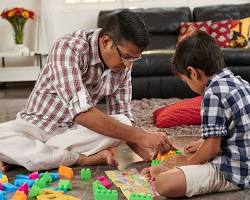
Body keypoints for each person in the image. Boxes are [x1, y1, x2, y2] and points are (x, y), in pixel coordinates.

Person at [0, 10, 172, 171]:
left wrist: (149, 154)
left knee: (124, 122)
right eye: (126, 57)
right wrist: (143, 135)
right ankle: (83, 159)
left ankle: (34, 157)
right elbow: (82, 114)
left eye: (135, 59)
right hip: (34, 127)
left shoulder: (123, 66)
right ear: (106, 42)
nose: (129, 65)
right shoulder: (69, 48)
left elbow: (123, 118)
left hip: (71, 136)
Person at [141, 30, 250, 197]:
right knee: (195, 151)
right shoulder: (239, 82)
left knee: (164, 183)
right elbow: (238, 127)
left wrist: (186, 162)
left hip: (235, 172)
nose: (188, 85)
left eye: (186, 81)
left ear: (193, 72)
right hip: (245, 160)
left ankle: (165, 171)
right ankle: (167, 168)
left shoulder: (212, 93)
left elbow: (212, 149)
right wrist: (202, 143)